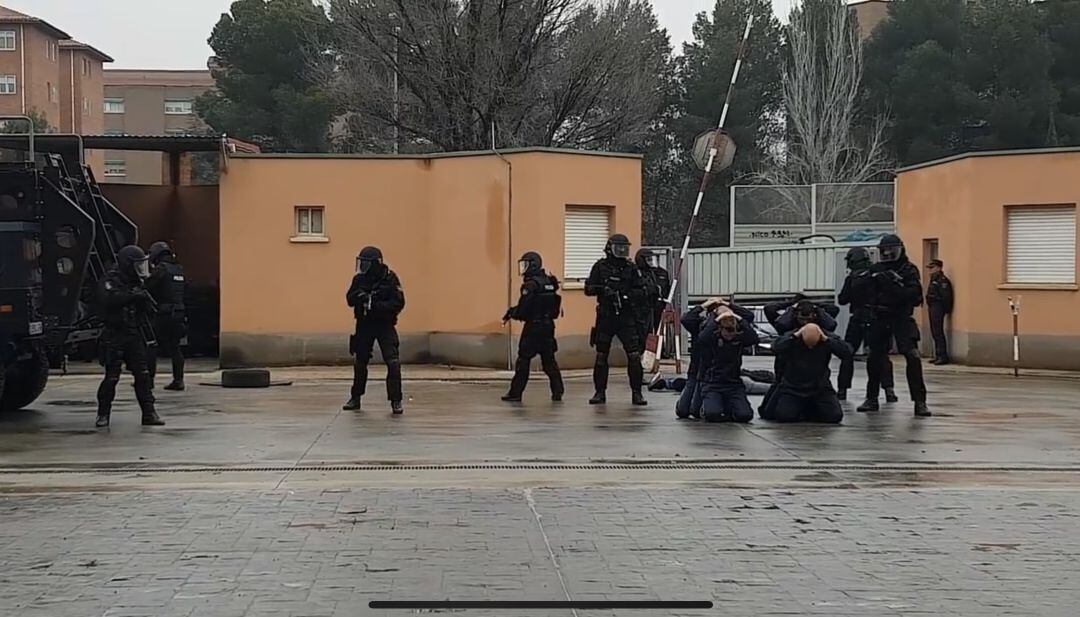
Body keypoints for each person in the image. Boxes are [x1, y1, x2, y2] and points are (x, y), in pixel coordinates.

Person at [857, 234, 931, 417]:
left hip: (901, 317)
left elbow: (914, 296)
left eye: (892, 250)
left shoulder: (908, 270)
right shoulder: (876, 268)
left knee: (912, 356)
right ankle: (871, 398)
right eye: (885, 251)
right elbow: (863, 294)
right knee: (874, 357)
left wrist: (893, 284)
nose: (888, 254)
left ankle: (920, 401)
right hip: (880, 317)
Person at [95, 245, 165, 428]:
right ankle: (103, 414)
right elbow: (108, 299)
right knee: (112, 377)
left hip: (133, 333)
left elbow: (146, 308)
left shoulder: (136, 281)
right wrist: (132, 296)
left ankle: (149, 413)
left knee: (143, 375)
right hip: (114, 334)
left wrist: (144, 302)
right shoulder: (111, 279)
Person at [584, 234, 649, 406]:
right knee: (601, 355)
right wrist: (603, 291)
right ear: (609, 248)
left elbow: (643, 291)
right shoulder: (600, 266)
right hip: (606, 316)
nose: (621, 251)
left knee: (634, 356)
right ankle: (599, 392)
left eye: (624, 248)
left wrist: (626, 297)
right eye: (618, 248)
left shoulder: (631, 268)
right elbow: (588, 288)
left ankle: (637, 393)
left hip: (626, 317)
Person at [344, 246, 406, 414]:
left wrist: (376, 305)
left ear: (376, 264)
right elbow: (349, 299)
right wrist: (361, 297)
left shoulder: (389, 279)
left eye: (366, 263)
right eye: (361, 263)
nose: (362, 267)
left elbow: (399, 303)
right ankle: (355, 397)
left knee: (393, 362)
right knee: (360, 362)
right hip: (364, 325)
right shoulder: (359, 280)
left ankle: (396, 400)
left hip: (385, 325)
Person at [502, 252, 564, 402]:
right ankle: (558, 391)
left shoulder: (531, 285)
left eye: (526, 264)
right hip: (548, 327)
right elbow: (555, 308)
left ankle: (515, 393)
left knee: (523, 361)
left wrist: (512, 313)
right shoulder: (549, 282)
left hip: (533, 328)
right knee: (549, 361)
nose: (523, 268)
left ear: (533, 265)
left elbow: (524, 309)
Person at [837, 247, 897, 402]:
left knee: (847, 353)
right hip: (876, 318)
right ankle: (889, 390)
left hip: (858, 318)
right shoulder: (876, 273)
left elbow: (842, 299)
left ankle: (842, 390)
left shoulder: (853, 277)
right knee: (880, 355)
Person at [762, 322, 851, 424]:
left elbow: (846, 352)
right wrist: (794, 337)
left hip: (820, 388)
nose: (810, 347)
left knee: (834, 416)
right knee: (784, 416)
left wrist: (826, 340)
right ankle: (804, 410)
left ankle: (809, 410)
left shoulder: (827, 338)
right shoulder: (791, 336)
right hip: (793, 388)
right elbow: (775, 348)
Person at [696, 300, 758, 423]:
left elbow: (753, 337)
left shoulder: (739, 339)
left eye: (732, 332)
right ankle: (709, 407)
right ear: (720, 329)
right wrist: (717, 318)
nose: (730, 335)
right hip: (713, 384)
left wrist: (738, 318)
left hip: (733, 384)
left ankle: (728, 407)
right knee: (712, 415)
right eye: (727, 331)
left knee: (745, 416)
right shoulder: (712, 338)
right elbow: (702, 338)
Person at [145, 241, 186, 391]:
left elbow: (148, 286)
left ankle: (148, 381)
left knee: (151, 346)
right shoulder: (179, 269)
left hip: (163, 314)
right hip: (179, 313)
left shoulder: (161, 269)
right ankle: (179, 380)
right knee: (175, 347)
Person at [675, 301, 710, 419]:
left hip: (711, 375)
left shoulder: (726, 328)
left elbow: (748, 317)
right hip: (695, 372)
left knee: (695, 411)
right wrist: (703, 306)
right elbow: (686, 319)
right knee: (683, 411)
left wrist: (729, 309)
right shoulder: (699, 327)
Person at [633, 249, 672, 343]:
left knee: (659, 329)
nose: (651, 262)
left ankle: (660, 349)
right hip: (641, 308)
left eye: (652, 259)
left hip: (657, 305)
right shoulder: (635, 272)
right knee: (644, 331)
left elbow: (666, 289)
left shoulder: (660, 272)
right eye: (648, 260)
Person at [926, 259, 954, 365]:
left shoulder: (942, 280)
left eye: (932, 268)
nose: (930, 270)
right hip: (933, 307)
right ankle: (938, 355)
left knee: (938, 332)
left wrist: (946, 309)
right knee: (934, 332)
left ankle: (942, 356)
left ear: (938, 268)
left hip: (938, 307)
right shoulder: (934, 279)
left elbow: (946, 297)